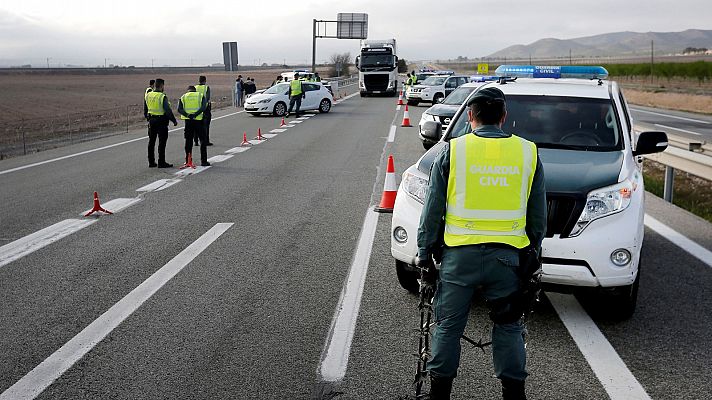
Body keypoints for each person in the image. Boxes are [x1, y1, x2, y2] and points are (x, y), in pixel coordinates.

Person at [416, 87, 547, 400]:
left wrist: (424, 252)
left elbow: (432, 209)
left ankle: (440, 393)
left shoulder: (453, 150)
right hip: (507, 260)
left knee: (447, 325)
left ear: (470, 116)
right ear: (503, 117)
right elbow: (538, 216)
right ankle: (514, 394)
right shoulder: (528, 152)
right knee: (509, 326)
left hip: (459, 258)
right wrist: (533, 253)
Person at [143, 78, 177, 168]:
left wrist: (147, 117)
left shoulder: (148, 95)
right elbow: (167, 110)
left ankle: (151, 162)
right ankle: (161, 162)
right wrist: (174, 120)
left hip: (151, 121)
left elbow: (146, 108)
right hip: (161, 121)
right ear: (162, 86)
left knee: (151, 142)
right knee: (162, 143)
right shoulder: (162, 96)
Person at [178, 85, 209, 166]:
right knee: (202, 140)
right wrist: (195, 114)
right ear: (194, 90)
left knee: (188, 141)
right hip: (199, 121)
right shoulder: (200, 95)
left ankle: (188, 160)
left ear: (188, 90)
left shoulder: (183, 97)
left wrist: (188, 115)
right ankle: (204, 161)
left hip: (188, 122)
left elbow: (179, 109)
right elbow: (203, 107)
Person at [195, 75, 213, 146]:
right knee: (206, 126)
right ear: (205, 81)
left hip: (197, 108)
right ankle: (205, 141)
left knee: (196, 125)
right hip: (205, 109)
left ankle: (196, 141)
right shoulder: (206, 88)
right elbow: (207, 98)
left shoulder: (195, 87)